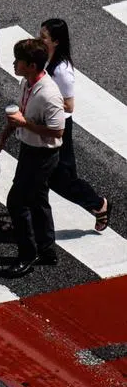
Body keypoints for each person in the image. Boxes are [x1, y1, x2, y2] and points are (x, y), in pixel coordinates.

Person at [0, 39, 66, 277]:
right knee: (38, 200)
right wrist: (5, 134)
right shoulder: (27, 82)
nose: (14, 64)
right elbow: (22, 114)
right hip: (29, 150)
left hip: (43, 155)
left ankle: (27, 254)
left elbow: (57, 131)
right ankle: (46, 249)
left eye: (18, 61)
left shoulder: (49, 95)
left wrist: (25, 125)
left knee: (17, 202)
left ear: (32, 65)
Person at [40, 19, 111, 230]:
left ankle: (99, 204)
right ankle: (25, 218)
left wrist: (42, 96)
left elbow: (69, 106)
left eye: (44, 37)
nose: (39, 40)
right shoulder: (45, 58)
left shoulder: (62, 71)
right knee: (38, 175)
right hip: (43, 123)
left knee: (61, 179)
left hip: (58, 128)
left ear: (57, 41)